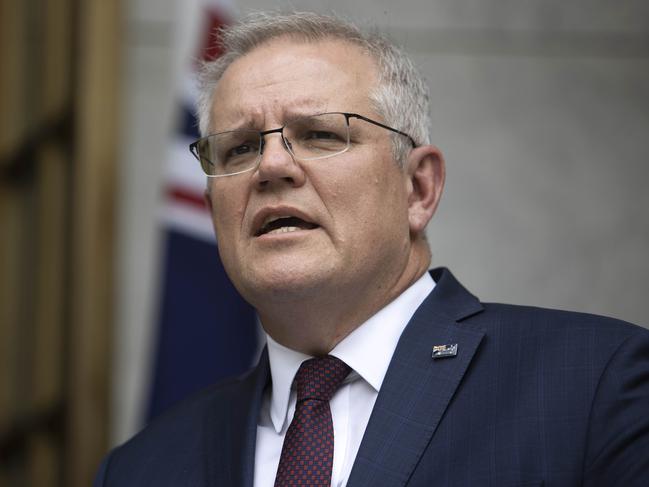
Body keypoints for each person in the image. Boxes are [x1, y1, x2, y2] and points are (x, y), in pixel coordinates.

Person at [94, 11, 649, 487]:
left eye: (320, 135)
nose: (271, 166)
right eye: (238, 148)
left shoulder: (594, 385)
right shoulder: (144, 468)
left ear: (418, 188)